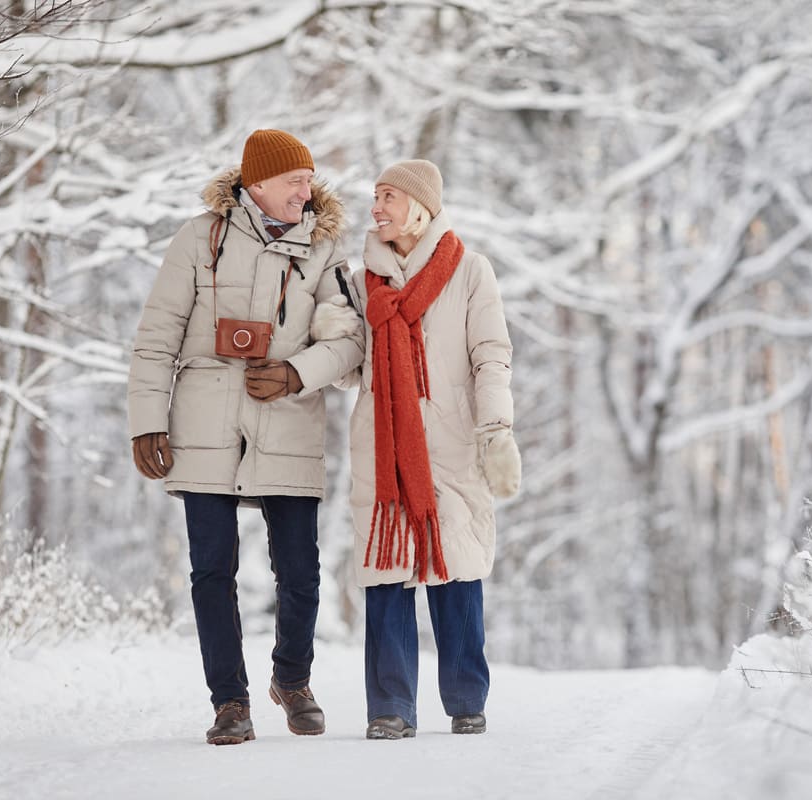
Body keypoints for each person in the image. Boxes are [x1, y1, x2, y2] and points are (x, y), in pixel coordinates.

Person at [127, 129, 364, 745]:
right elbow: (156, 337)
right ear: (256, 184)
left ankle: (292, 678)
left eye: (309, 180)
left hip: (288, 421)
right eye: (294, 181)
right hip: (204, 424)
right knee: (211, 571)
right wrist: (147, 421)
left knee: (301, 570)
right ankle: (230, 702)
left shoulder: (325, 247)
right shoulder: (198, 240)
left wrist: (294, 373)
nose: (305, 191)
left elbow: (348, 341)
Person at [311, 159, 521, 739]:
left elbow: (491, 355)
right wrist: (327, 321)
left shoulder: (470, 271)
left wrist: (496, 429)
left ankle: (465, 699)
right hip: (382, 445)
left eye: (388, 197)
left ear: (420, 207)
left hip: (452, 441)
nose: (376, 207)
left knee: (456, 567)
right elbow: (347, 366)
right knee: (385, 572)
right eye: (375, 196)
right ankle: (390, 708)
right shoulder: (359, 284)